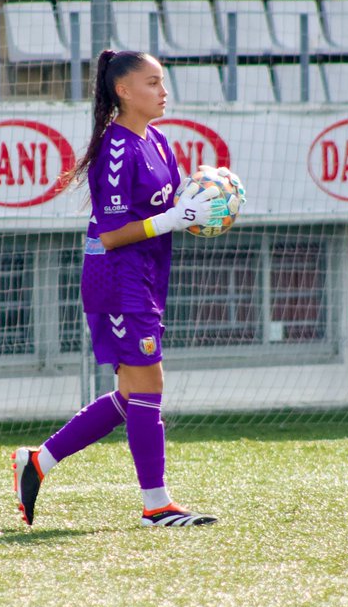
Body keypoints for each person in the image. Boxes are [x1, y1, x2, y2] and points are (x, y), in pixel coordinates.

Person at [13, 49, 221, 528]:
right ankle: (156, 506)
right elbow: (111, 232)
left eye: (163, 82)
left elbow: (165, 213)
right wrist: (172, 218)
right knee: (150, 385)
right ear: (123, 91)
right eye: (152, 83)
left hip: (146, 275)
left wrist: (200, 209)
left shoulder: (161, 142)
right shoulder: (116, 147)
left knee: (132, 394)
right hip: (116, 278)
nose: (163, 92)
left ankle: (37, 462)